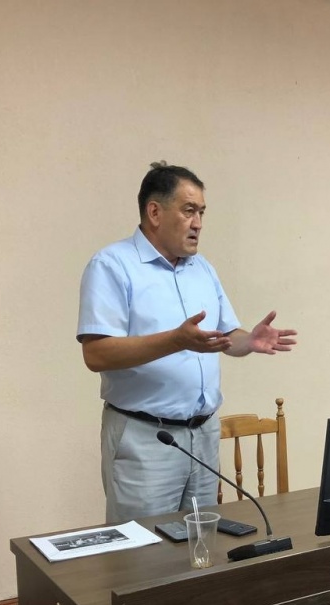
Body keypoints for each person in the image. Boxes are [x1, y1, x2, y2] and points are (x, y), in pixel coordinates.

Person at [77, 162, 297, 523]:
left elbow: (226, 337)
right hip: (147, 438)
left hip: (204, 434)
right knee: (144, 551)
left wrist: (249, 341)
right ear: (154, 212)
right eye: (189, 210)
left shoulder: (202, 269)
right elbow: (96, 353)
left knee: (201, 544)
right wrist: (176, 340)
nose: (198, 223)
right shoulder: (112, 266)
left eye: (202, 212)